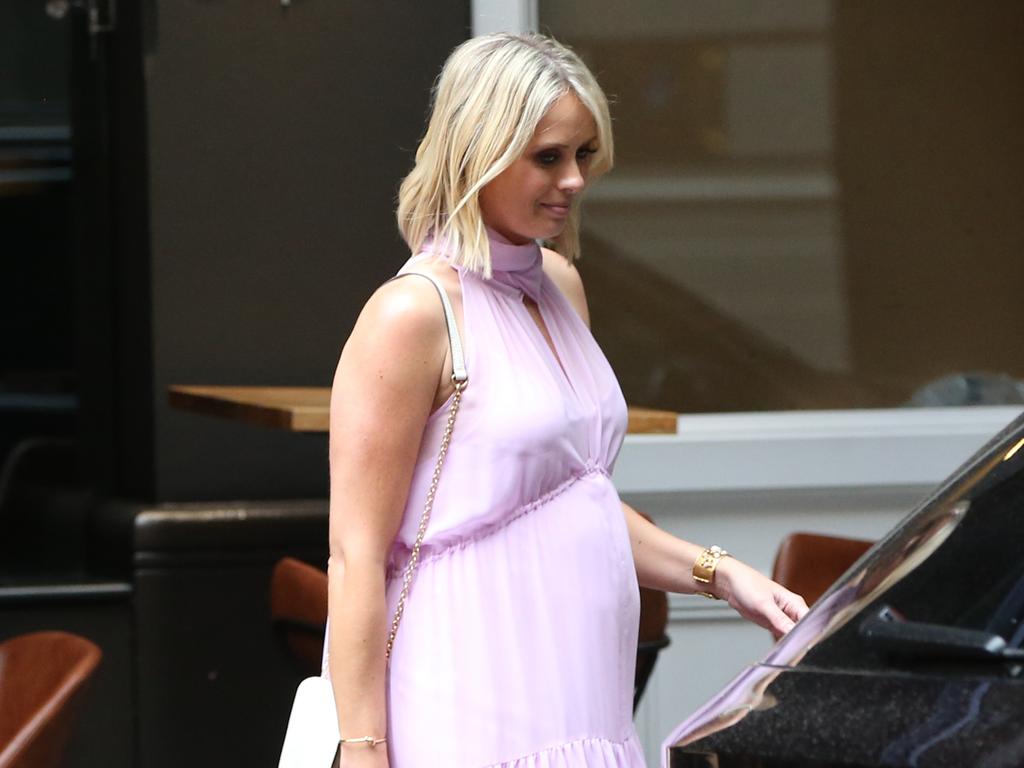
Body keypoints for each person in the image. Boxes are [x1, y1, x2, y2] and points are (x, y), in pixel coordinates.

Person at [325, 32, 809, 768]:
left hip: (585, 694)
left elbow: (567, 497)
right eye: (547, 156)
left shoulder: (560, 286)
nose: (576, 179)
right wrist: (363, 750)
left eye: (584, 154)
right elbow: (356, 553)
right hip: (468, 690)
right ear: (476, 152)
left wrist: (720, 573)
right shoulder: (413, 314)